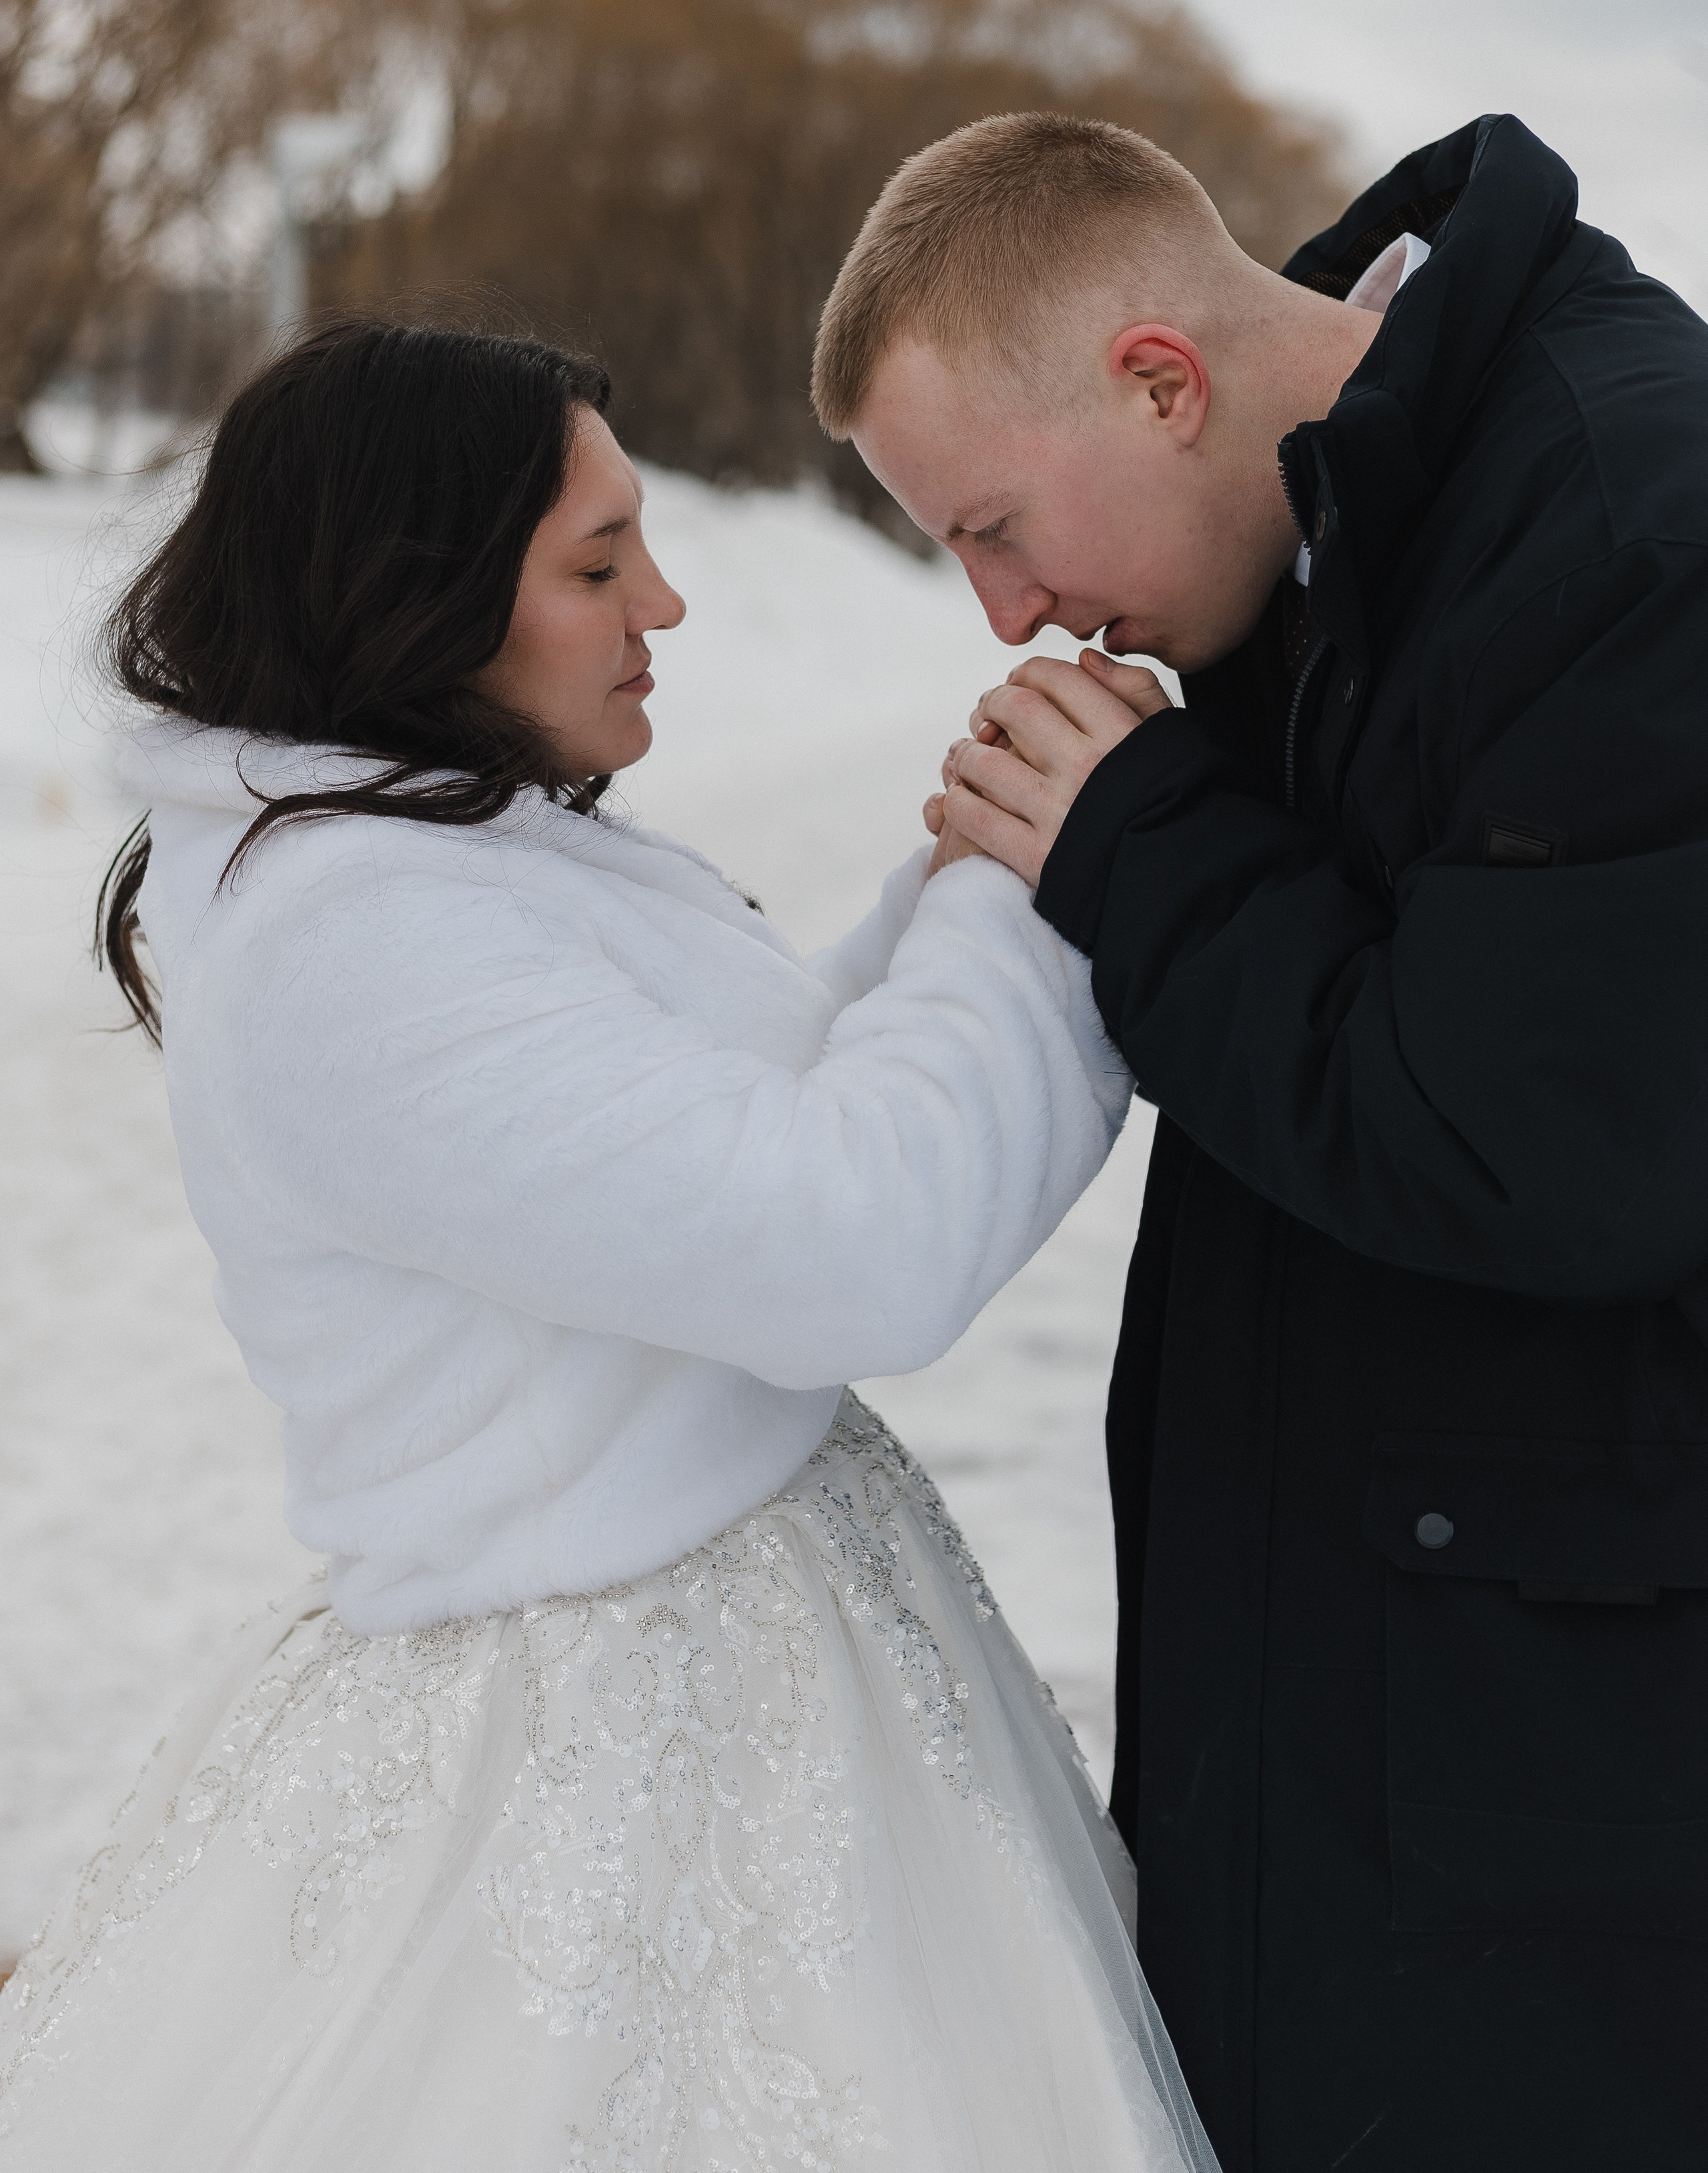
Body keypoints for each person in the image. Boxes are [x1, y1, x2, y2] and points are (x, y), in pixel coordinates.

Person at [0, 319, 1219, 2172]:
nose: (663, 602)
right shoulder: (354, 942)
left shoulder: (446, 850)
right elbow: (842, 1244)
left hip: (744, 1659)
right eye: (594, 563)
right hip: (612, 1754)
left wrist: (982, 861)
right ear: (416, 596)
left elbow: (730, 1125)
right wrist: (1027, 886)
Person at [814, 109, 1708, 2172]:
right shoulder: (1345, 531)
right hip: (1374, 1739)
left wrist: (1139, 846)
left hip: (1569, 1823)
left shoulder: (1626, 529)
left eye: (996, 527)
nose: (1008, 612)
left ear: (1160, 380)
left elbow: (1537, 1146)